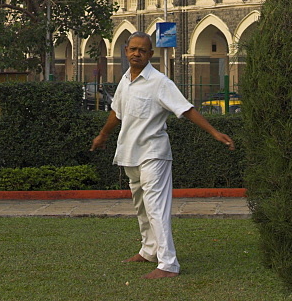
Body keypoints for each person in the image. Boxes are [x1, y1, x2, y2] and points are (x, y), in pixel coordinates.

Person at [91, 32, 235, 280]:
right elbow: (117, 112)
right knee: (141, 206)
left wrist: (214, 131)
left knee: (156, 208)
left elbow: (186, 109)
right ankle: (149, 250)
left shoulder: (160, 82)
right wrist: (103, 135)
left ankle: (168, 264)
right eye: (133, 49)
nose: (137, 53)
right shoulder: (125, 80)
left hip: (154, 154)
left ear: (150, 55)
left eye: (142, 50)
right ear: (125, 51)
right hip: (129, 153)